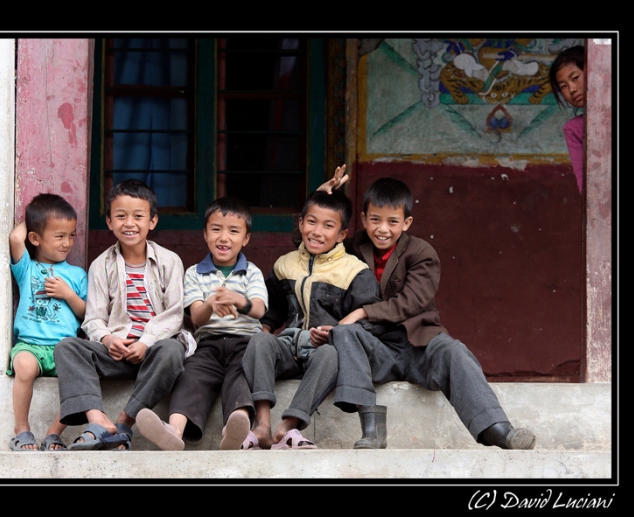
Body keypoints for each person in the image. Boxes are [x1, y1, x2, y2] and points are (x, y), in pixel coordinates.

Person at [326, 175, 536, 450]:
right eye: (375, 220)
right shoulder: (353, 247)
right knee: (345, 333)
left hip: (417, 345)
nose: (382, 229)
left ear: (406, 223)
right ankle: (372, 430)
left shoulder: (421, 252)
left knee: (454, 350)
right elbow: (313, 244)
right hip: (374, 348)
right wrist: (323, 197)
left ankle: (497, 429)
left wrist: (362, 312)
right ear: (364, 219)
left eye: (392, 221)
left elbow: (411, 302)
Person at [54, 179, 196, 450]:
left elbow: (175, 314)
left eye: (138, 216)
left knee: (172, 351)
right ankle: (98, 420)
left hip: (153, 352)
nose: (129, 223)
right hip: (117, 352)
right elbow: (93, 318)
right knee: (67, 347)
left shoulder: (169, 261)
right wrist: (108, 340)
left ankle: (124, 421)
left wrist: (146, 342)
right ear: (109, 221)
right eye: (120, 216)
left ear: (152, 221)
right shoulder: (101, 265)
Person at [242, 189, 382, 450]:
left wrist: (335, 334)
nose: (317, 232)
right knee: (259, 341)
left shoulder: (355, 271)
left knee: (331, 354)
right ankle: (262, 424)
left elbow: (368, 320)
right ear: (301, 223)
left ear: (341, 235)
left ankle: (289, 424)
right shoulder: (285, 264)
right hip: (288, 346)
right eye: (312, 222)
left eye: (328, 226)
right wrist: (264, 330)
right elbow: (273, 310)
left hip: (323, 350)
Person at [136, 197, 267, 451]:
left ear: (246, 238)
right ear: (205, 234)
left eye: (233, 231)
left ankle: (234, 428)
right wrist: (211, 303)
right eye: (216, 229)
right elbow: (196, 318)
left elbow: (260, 309)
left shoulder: (252, 272)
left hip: (246, 344)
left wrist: (238, 300)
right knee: (191, 376)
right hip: (208, 344)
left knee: (240, 377)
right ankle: (173, 431)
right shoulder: (194, 272)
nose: (224, 237)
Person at [8, 193, 87, 451]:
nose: (67, 243)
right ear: (36, 238)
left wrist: (68, 294)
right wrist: (35, 218)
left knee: (76, 377)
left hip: (64, 348)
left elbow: (87, 313)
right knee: (24, 366)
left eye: (71, 235)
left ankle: (54, 433)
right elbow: (15, 238)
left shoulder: (76, 275)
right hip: (30, 345)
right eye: (59, 235)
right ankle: (22, 430)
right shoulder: (27, 268)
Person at [548, 45, 585, 195]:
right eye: (563, 86)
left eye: (575, 78)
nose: (571, 89)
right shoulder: (574, 129)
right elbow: (584, 185)